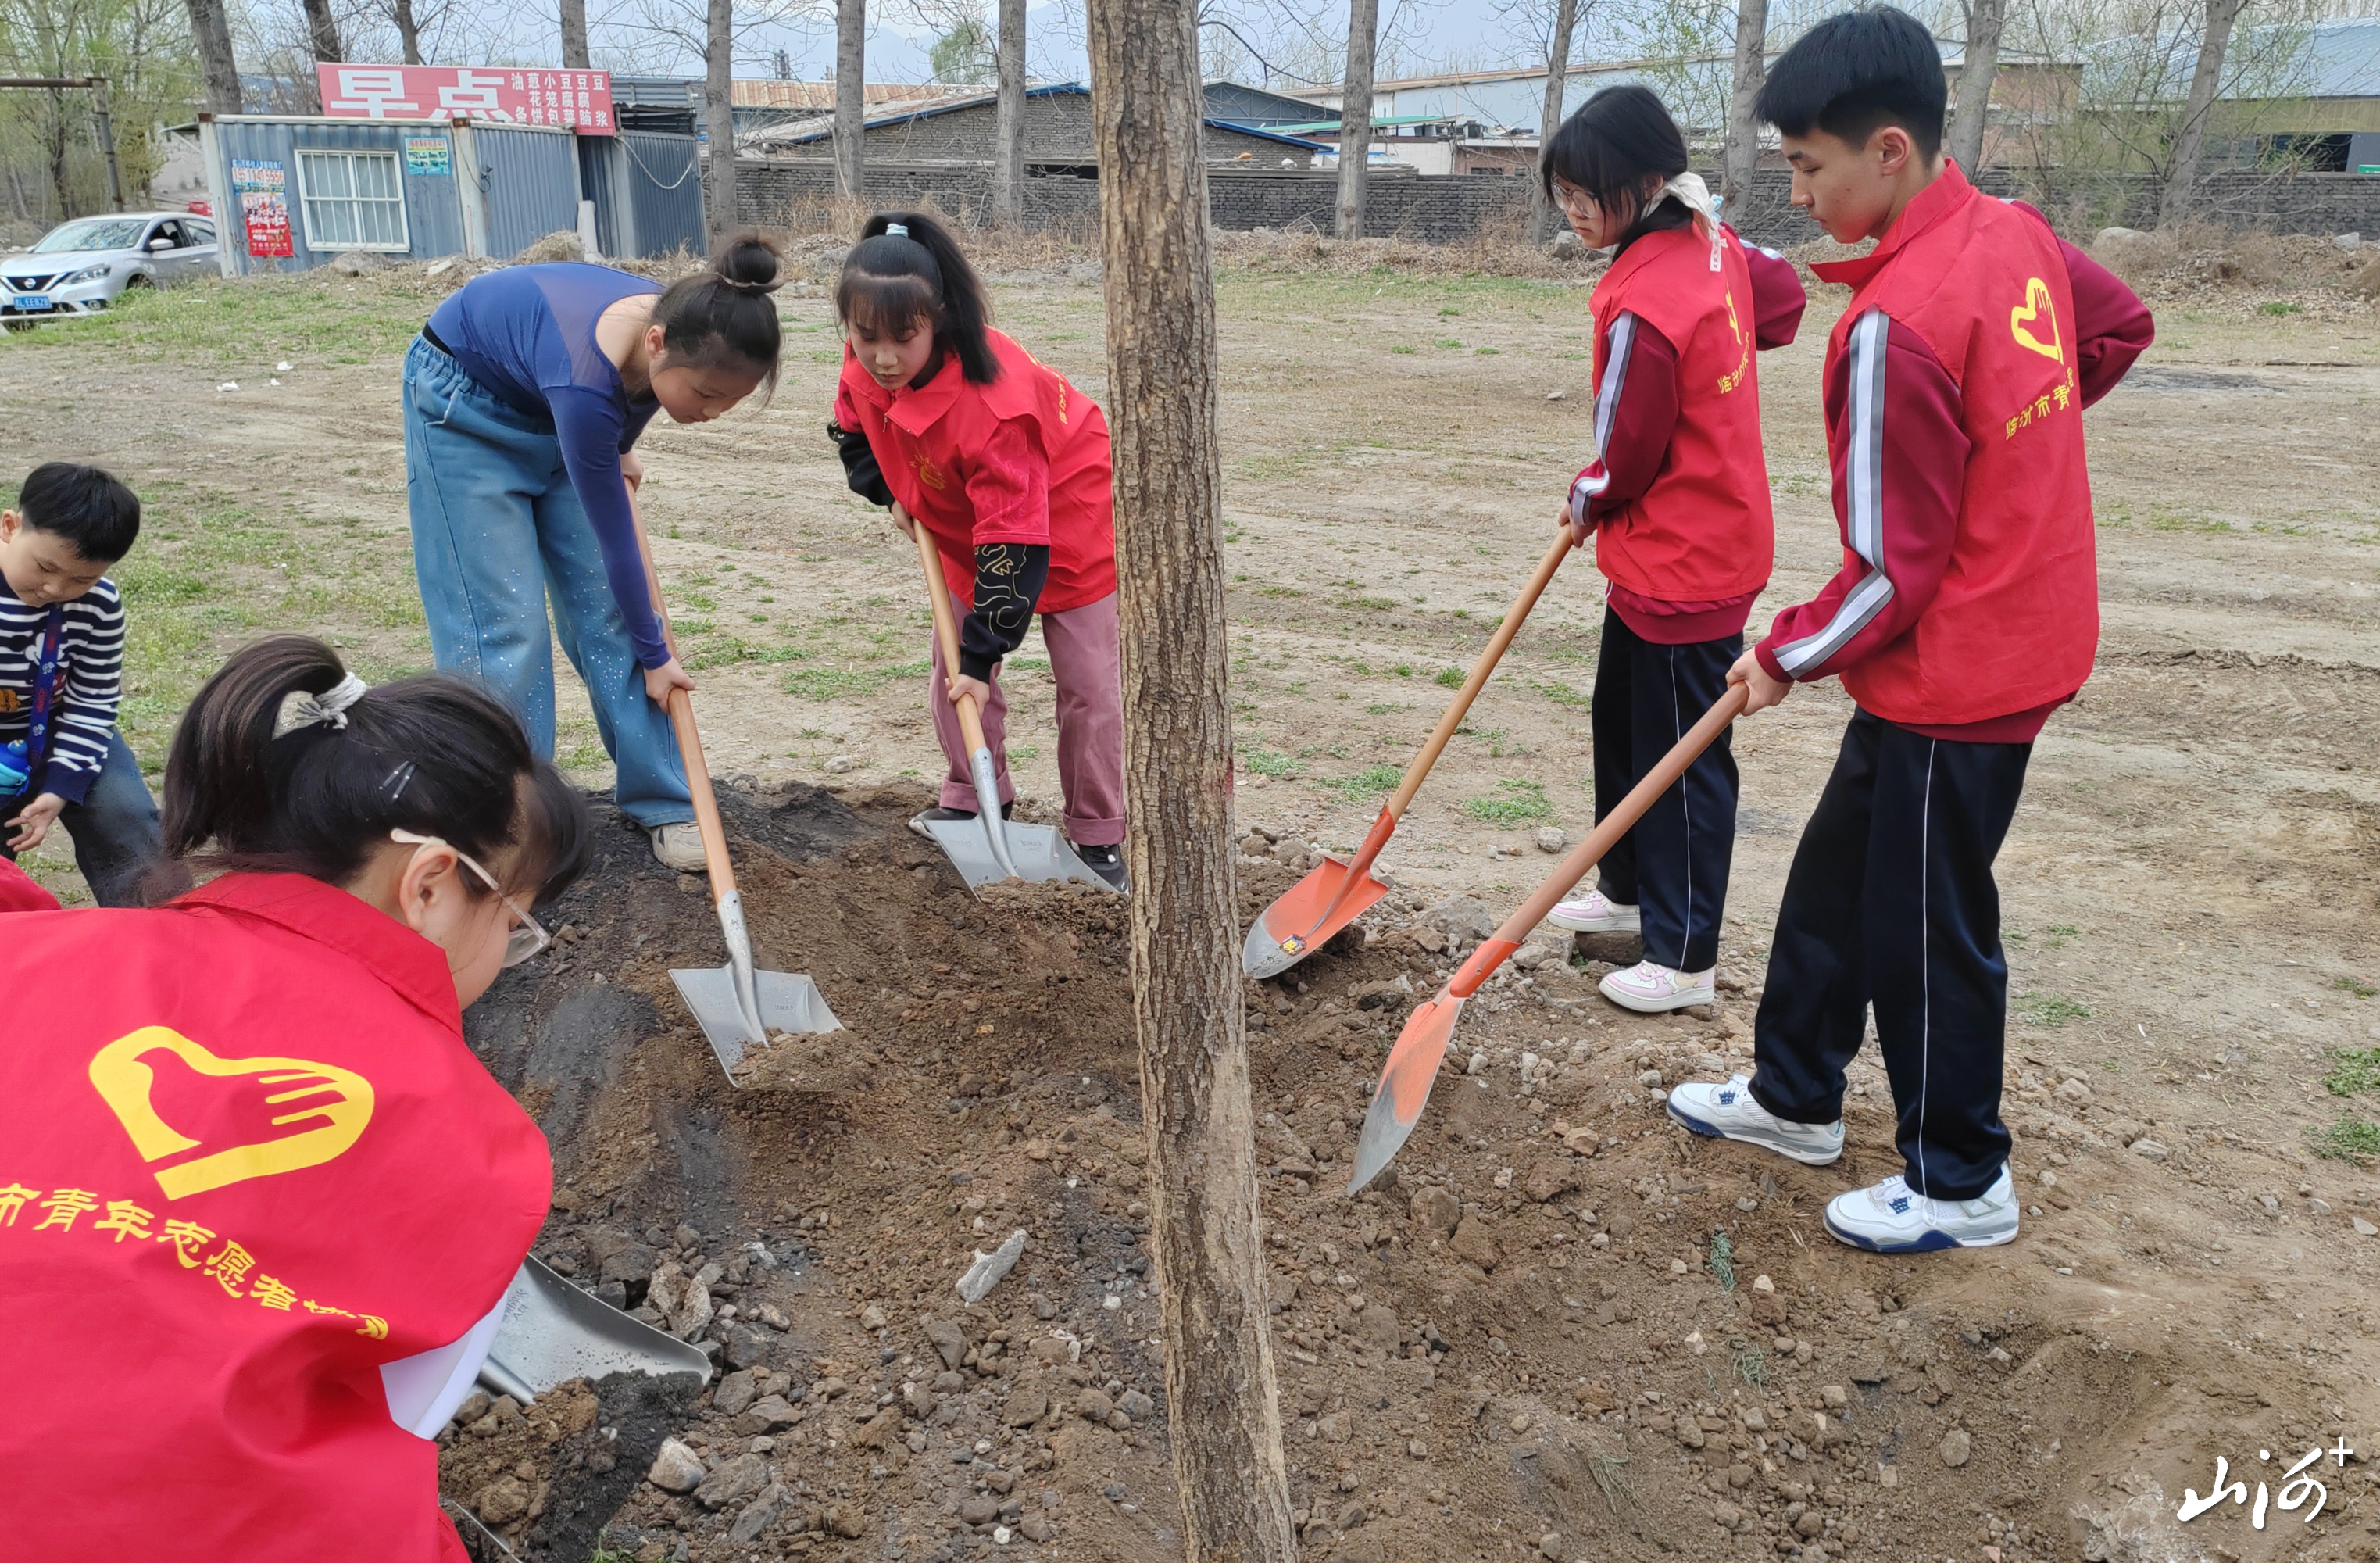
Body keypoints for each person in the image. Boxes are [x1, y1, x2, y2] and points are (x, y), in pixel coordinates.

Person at [1663, 6, 2153, 1254]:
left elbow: (1892, 574)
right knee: (1837, 877)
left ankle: (1958, 1177)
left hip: (1962, 671)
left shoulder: (1894, 326)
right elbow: (2115, 329)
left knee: (1926, 925)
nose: (1795, 192)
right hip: (1975, 646)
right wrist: (2009, 460)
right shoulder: (2015, 231)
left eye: (1806, 166)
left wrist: (1781, 652)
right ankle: (1795, 1095)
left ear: (1888, 151)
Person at [0, 635, 589, 1561]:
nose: (504, 955)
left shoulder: (34, 951)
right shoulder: (472, 1140)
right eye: (513, 925)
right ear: (432, 883)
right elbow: (394, 1418)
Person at [1534, 87, 1807, 1015]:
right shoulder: (1712, 243)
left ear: (1648, 182)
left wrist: (1589, 496)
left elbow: (1628, 447)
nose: (1575, 212)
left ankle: (1685, 953)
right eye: (1564, 194)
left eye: (1589, 195)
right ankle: (1624, 889)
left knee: (1680, 757)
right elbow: (1782, 301)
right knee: (1623, 722)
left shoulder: (1646, 300)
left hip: (1690, 555)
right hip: (1661, 554)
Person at [406, 235, 782, 871]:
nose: (714, 413)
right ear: (656, 344)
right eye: (706, 395)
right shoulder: (587, 382)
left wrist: (622, 440)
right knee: (501, 625)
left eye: (730, 402)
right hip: (464, 408)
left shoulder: (685, 328)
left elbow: (634, 400)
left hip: (560, 400)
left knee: (609, 612)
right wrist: (658, 658)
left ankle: (666, 797)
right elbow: (617, 545)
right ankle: (504, 816)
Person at [825, 212, 1127, 891]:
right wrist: (888, 491)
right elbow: (853, 430)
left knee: (1088, 687)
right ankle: (975, 796)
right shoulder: (865, 362)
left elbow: (1013, 545)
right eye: (866, 336)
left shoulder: (996, 411)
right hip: (966, 516)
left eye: (902, 339)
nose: (882, 357)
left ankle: (1098, 835)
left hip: (1067, 515)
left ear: (939, 321)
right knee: (952, 673)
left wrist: (985, 652)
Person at [0, 461, 162, 906]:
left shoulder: (100, 605)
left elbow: (93, 702)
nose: (56, 589)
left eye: (81, 579)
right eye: (44, 567)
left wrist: (60, 786)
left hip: (59, 726)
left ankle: (157, 931)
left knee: (126, 820)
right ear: (10, 527)